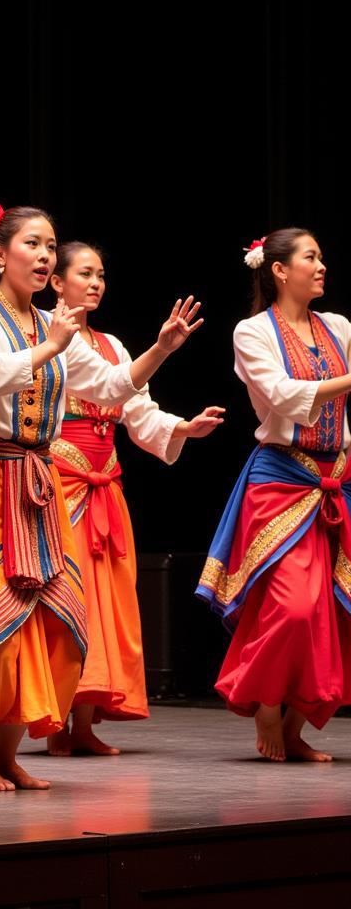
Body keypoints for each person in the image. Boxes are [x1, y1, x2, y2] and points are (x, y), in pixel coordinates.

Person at [0, 205, 203, 791]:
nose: (44, 256)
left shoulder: (51, 324)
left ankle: (9, 751)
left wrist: (160, 349)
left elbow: (109, 387)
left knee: (56, 627)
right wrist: (50, 345)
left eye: (51, 246)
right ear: (1, 254)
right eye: (33, 244)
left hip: (39, 482)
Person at [45, 241, 223, 755]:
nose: (97, 282)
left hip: (105, 484)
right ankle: (51, 720)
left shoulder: (113, 346)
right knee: (66, 601)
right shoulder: (42, 338)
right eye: (85, 273)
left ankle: (82, 723)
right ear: (57, 283)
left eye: (101, 274)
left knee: (105, 606)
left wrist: (182, 427)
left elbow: (138, 410)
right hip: (60, 483)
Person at [198, 229, 351, 762]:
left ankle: (292, 726)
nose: (322, 265)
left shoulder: (338, 328)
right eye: (311, 256)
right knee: (292, 605)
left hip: (336, 478)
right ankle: (264, 703)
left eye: (322, 256)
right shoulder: (252, 332)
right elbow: (285, 398)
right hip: (283, 478)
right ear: (280, 270)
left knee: (333, 610)